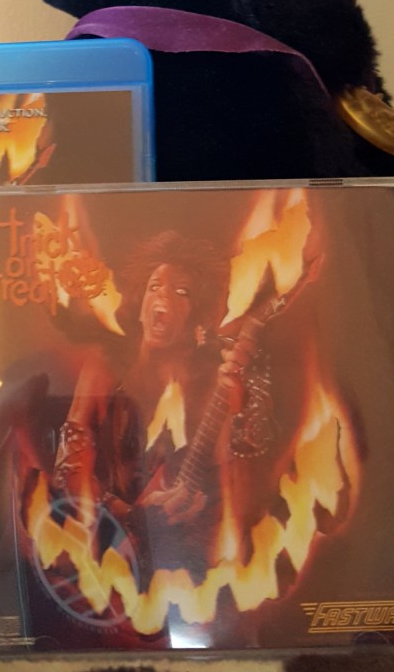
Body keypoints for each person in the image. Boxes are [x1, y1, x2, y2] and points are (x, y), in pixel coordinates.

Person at [52, 230, 285, 573]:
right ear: (140, 304)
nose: (163, 296)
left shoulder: (218, 377)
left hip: (203, 557)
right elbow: (68, 468)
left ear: (199, 316)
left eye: (182, 292)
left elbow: (248, 489)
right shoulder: (105, 368)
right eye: (154, 286)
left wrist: (238, 409)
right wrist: (128, 513)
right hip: (111, 553)